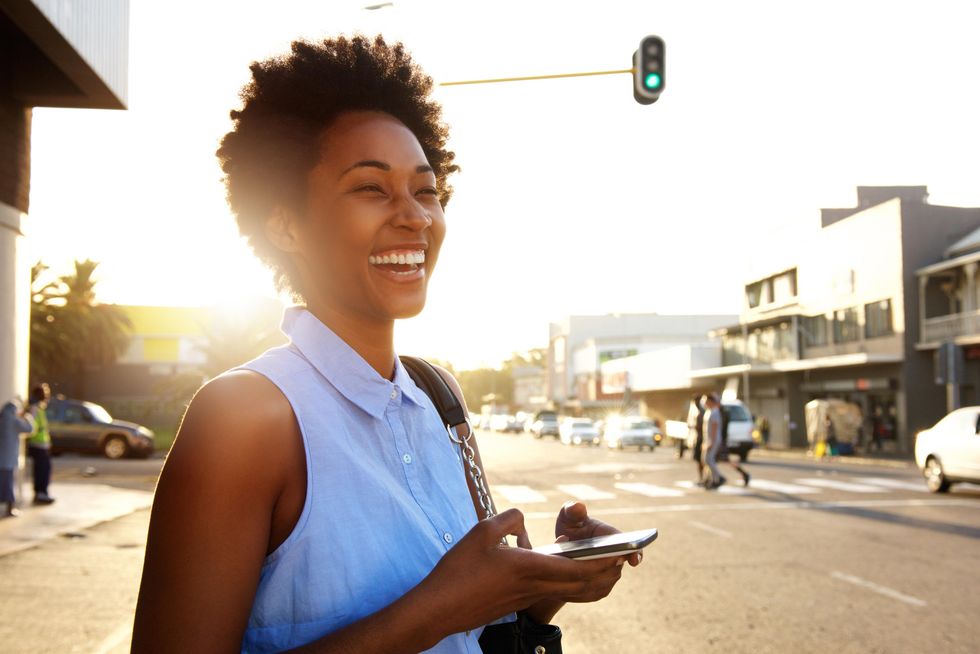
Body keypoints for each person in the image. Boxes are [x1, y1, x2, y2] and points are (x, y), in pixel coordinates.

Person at [132, 35, 641, 653]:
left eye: (426, 190)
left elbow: (476, 622)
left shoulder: (437, 394)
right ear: (286, 224)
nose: (415, 216)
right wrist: (440, 608)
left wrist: (540, 585)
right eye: (372, 189)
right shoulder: (245, 418)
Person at [1, 397, 35, 517]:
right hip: (8, 460)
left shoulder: (1, 419)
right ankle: (10, 509)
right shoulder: (14, 421)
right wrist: (27, 417)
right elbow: (30, 429)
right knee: (9, 485)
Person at [26, 383, 54, 505]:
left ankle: (42, 492)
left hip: (42, 445)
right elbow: (30, 427)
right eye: (45, 393)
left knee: (45, 469)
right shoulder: (35, 409)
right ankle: (40, 493)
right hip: (37, 445)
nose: (47, 395)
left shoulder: (40, 408)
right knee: (42, 470)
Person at [702, 393, 725, 489]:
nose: (704, 403)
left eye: (706, 401)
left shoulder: (715, 412)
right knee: (706, 460)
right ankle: (711, 479)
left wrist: (711, 441)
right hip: (709, 439)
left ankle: (718, 478)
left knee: (709, 459)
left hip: (713, 440)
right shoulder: (709, 411)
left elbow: (715, 427)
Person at [687, 394, 706, 482]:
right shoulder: (701, 411)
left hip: (701, 439)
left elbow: (700, 427)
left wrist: (692, 426)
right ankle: (702, 478)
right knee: (701, 460)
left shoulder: (702, 412)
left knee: (702, 460)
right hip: (700, 438)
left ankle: (703, 478)